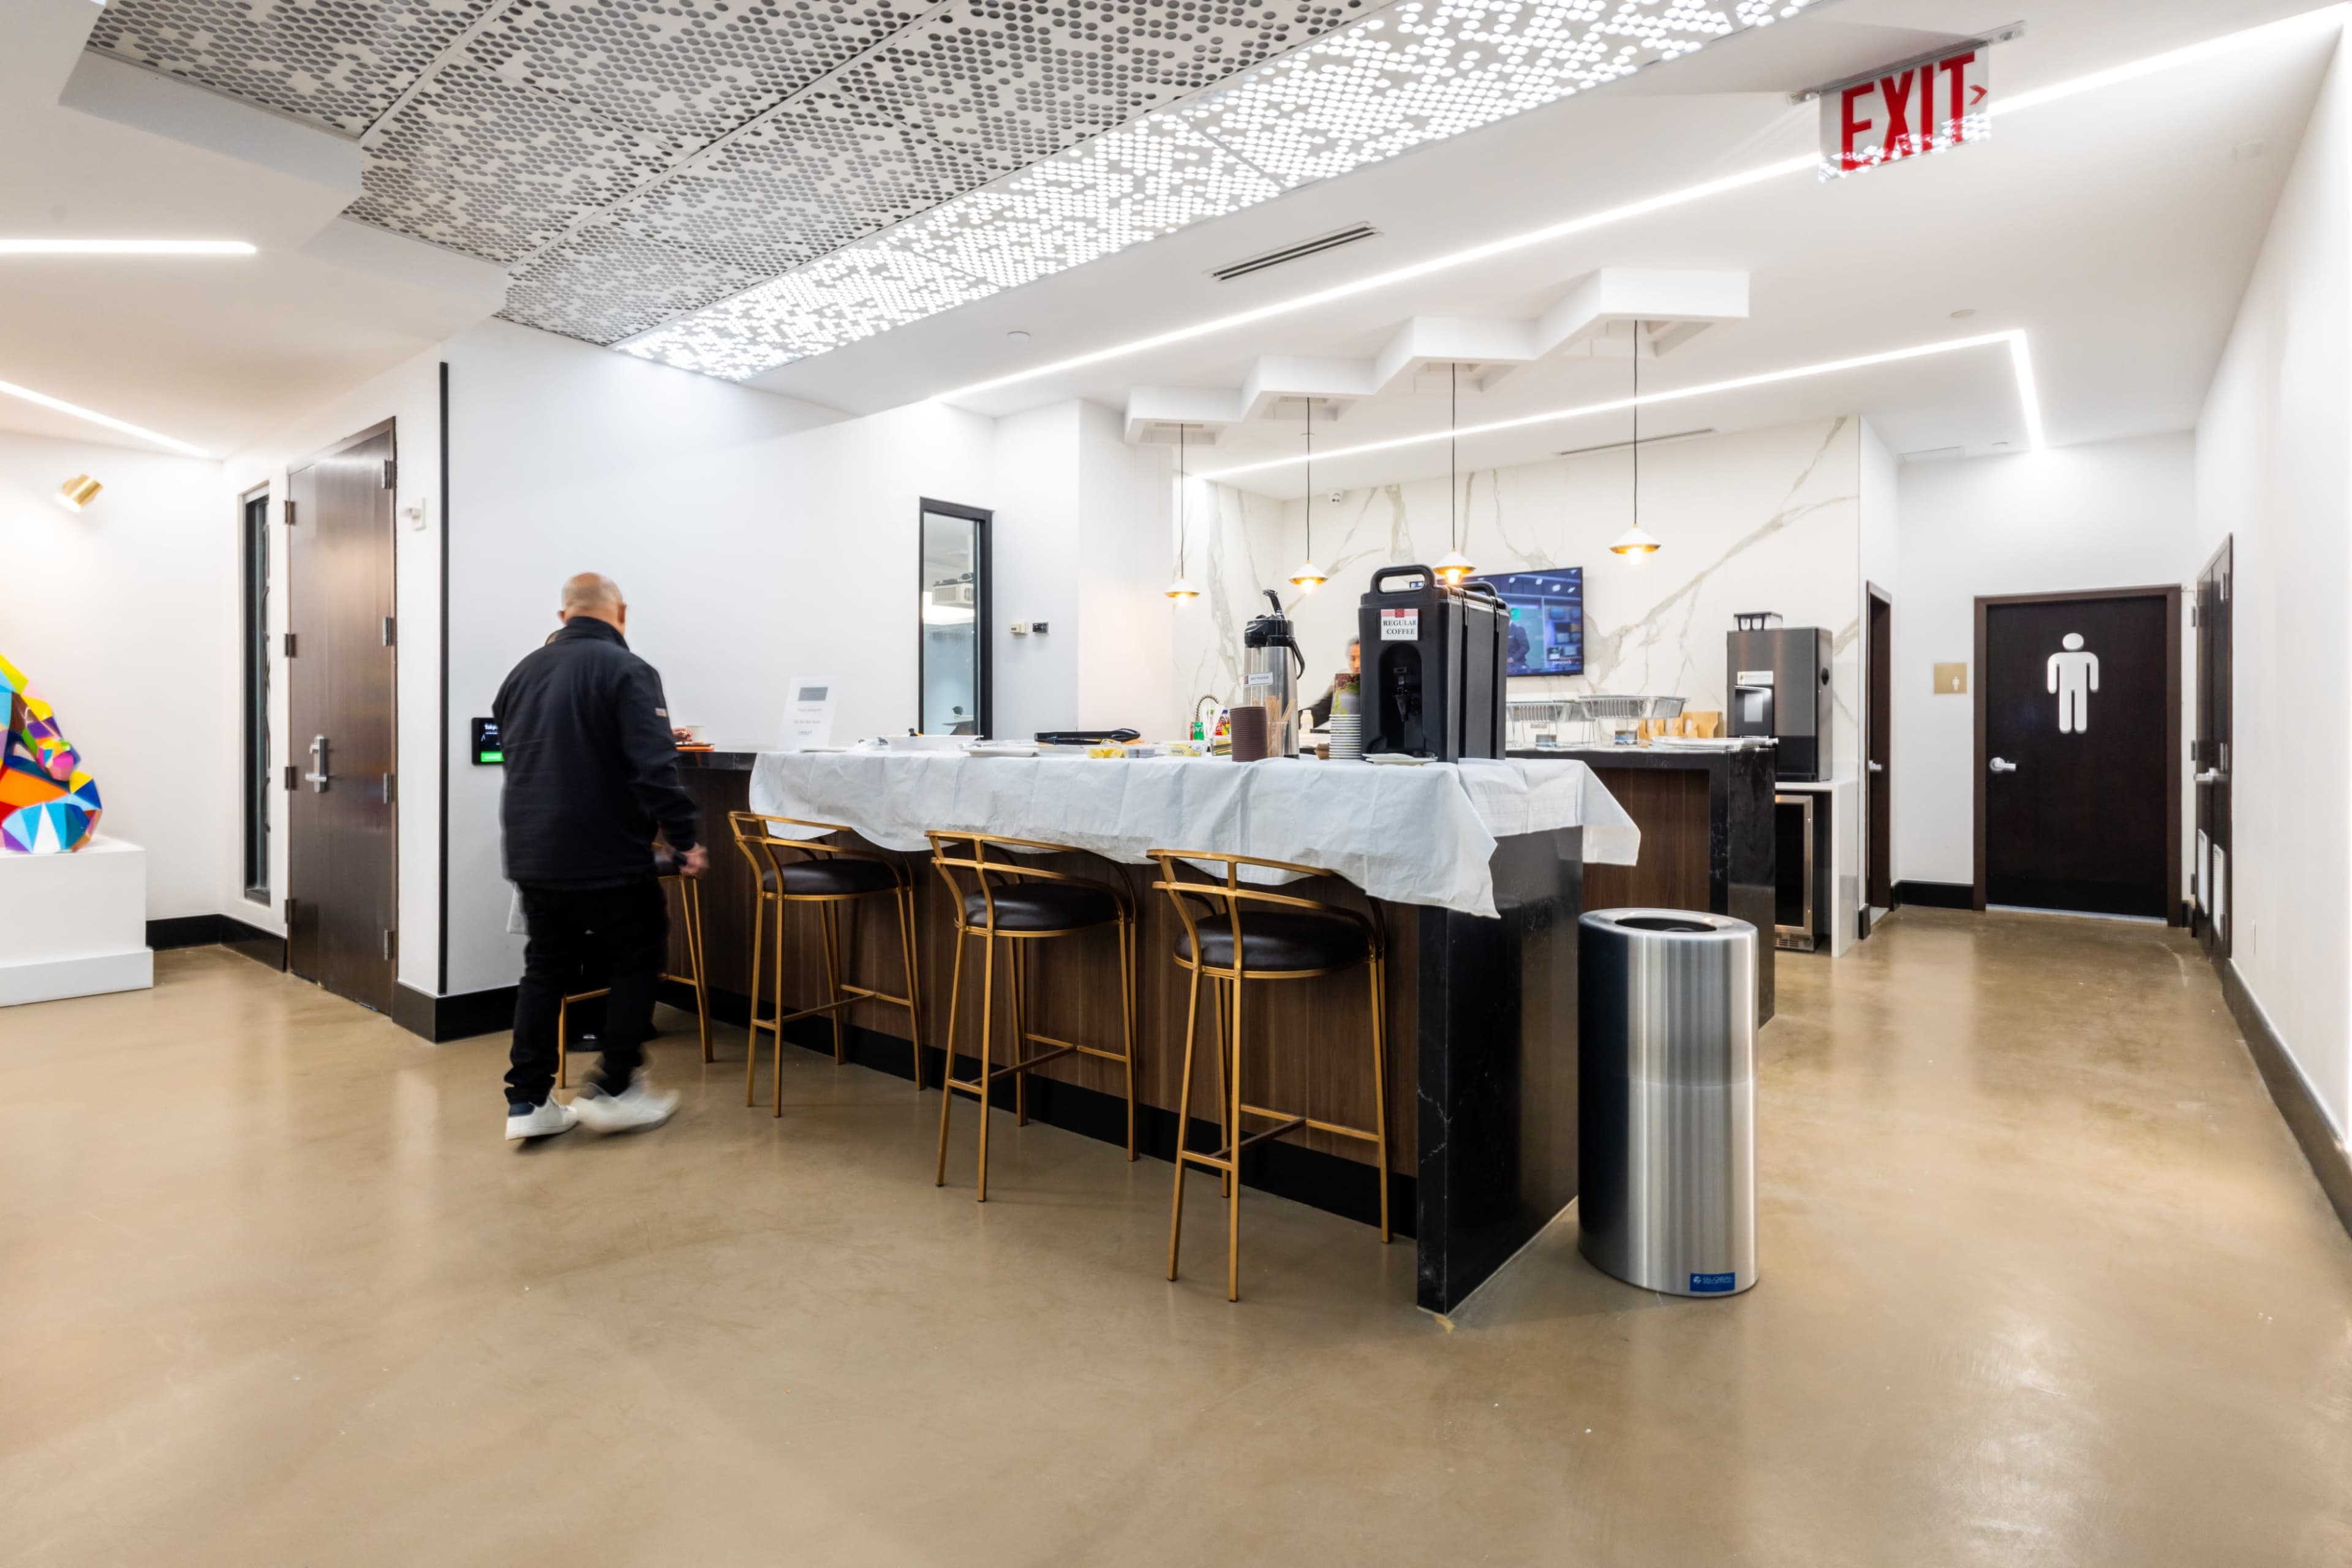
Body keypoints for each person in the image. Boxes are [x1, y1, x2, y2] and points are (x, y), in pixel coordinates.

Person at [496, 573, 707, 1140]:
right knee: (637, 955)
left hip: (531, 850)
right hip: (607, 852)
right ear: (622, 612)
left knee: (545, 967)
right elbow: (656, 769)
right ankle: (614, 1087)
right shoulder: (629, 671)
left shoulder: (522, 672)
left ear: (563, 615)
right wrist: (685, 840)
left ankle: (529, 1103)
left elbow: (514, 757)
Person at [1306, 635, 1362, 729]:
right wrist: (1289, 721)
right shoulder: (1346, 684)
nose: (1357, 665)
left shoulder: (1382, 685)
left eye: (1362, 658)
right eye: (1353, 659)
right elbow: (1320, 711)